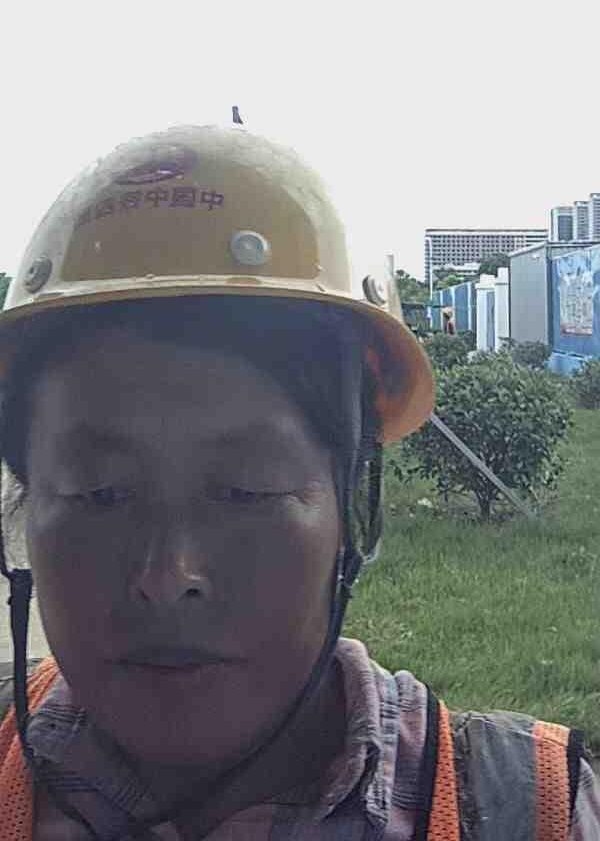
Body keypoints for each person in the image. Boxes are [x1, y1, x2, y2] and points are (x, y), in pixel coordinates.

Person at [0, 124, 597, 841]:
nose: (167, 577)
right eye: (100, 493)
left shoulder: (534, 810)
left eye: (246, 492)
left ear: (353, 512)